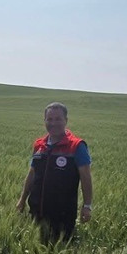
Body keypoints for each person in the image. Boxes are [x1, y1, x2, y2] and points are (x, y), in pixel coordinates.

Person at [16, 102, 93, 243]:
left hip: (62, 213)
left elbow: (86, 178)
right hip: (37, 208)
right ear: (44, 121)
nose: (53, 123)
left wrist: (87, 206)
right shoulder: (39, 145)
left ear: (66, 121)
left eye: (58, 119)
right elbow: (32, 173)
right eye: (49, 119)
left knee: (61, 250)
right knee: (35, 245)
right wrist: (22, 199)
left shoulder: (76, 146)